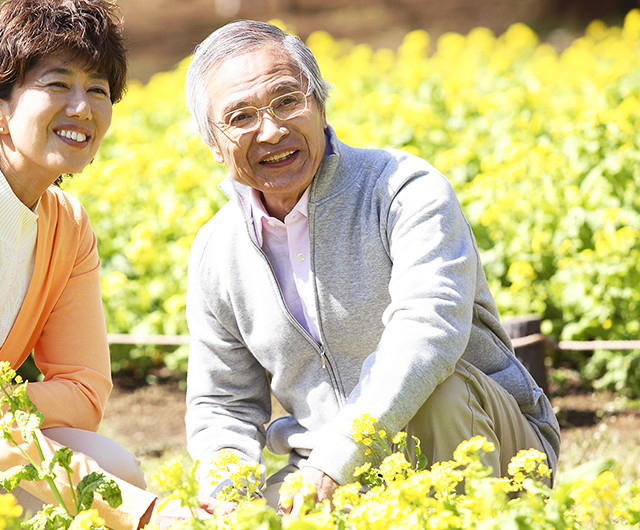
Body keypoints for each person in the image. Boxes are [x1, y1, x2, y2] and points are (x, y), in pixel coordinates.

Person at [183, 19, 561, 515]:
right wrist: (229, 497)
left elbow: (427, 333)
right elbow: (223, 404)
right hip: (323, 469)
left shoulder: (405, 189)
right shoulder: (216, 247)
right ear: (213, 143)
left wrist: (335, 460)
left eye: (287, 101)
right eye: (240, 117)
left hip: (481, 443)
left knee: (439, 393)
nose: (272, 130)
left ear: (320, 106)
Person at [0, 1, 159, 528]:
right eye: (57, 84)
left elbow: (85, 390)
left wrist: (8, 418)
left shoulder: (66, 225)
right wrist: (146, 515)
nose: (82, 108)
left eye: (98, 89)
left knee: (115, 465)